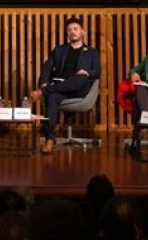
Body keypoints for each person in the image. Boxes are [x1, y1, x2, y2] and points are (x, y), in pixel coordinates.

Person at [30, 17, 100, 154]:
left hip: (79, 87)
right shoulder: (59, 50)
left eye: (75, 29)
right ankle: (50, 139)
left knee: (80, 78)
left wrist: (87, 72)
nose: (72, 32)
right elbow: (47, 67)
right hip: (60, 87)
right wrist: (44, 82)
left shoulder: (92, 52)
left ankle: (44, 91)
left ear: (83, 31)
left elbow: (97, 72)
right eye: (69, 30)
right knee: (52, 97)